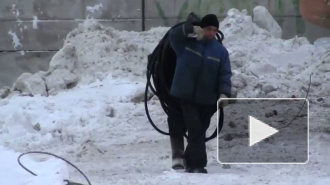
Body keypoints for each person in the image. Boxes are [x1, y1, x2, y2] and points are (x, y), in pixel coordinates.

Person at [167, 14, 232, 173]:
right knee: (195, 127)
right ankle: (199, 164)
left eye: (214, 30)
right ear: (202, 28)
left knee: (201, 129)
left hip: (207, 99)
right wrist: (190, 29)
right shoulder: (185, 44)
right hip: (186, 95)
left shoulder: (220, 52)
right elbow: (173, 34)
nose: (211, 33)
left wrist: (224, 93)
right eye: (208, 29)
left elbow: (225, 74)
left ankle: (189, 162)